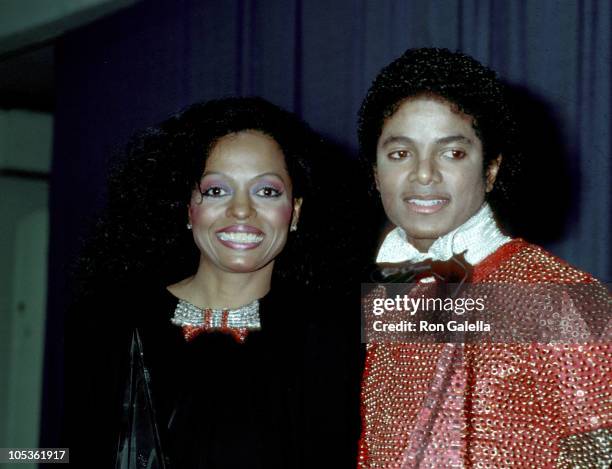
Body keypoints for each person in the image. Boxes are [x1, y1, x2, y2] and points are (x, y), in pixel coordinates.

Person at [63, 97, 360, 468]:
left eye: (266, 191)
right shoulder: (106, 322)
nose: (240, 210)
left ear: (295, 212)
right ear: (188, 207)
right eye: (216, 191)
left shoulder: (339, 330)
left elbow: (444, 308)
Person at [357, 48, 611, 468]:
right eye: (400, 153)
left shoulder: (560, 297)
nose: (424, 174)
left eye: (452, 153)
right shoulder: (393, 291)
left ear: (490, 169)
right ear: (375, 172)